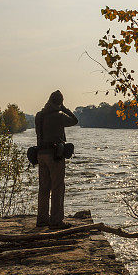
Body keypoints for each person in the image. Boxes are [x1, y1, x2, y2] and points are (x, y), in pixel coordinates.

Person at [34, 90, 78, 227]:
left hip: (41, 154)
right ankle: (56, 221)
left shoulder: (39, 116)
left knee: (43, 188)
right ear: (60, 102)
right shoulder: (59, 116)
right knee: (58, 187)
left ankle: (42, 220)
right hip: (55, 156)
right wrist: (64, 108)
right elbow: (75, 120)